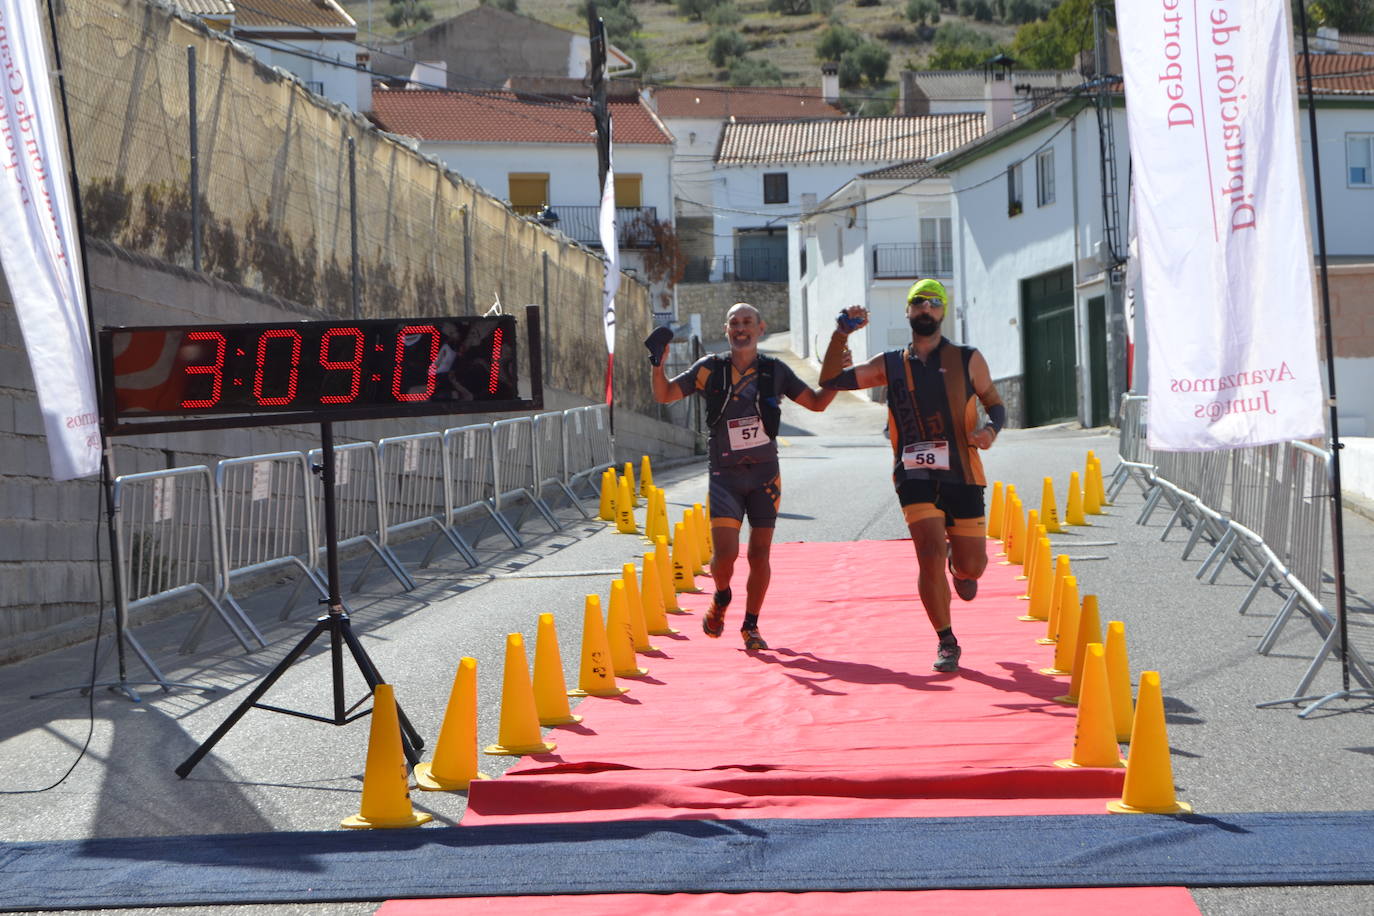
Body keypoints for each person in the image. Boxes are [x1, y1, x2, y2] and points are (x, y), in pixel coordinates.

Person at [818, 279, 1005, 673]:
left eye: (933, 303)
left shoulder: (968, 358)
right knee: (928, 556)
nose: (925, 309)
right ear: (907, 312)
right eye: (918, 303)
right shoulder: (890, 363)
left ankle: (960, 567)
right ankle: (946, 639)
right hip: (913, 472)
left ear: (943, 311)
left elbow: (995, 404)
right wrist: (840, 335)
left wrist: (989, 431)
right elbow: (832, 380)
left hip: (963, 471)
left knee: (974, 567)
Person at [646, 303, 840, 651]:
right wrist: (657, 364)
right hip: (725, 475)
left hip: (765, 474)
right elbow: (664, 395)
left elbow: (816, 403)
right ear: (726, 330)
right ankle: (721, 596)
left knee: (760, 554)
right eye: (734, 323)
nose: (740, 328)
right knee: (724, 556)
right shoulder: (710, 369)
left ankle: (751, 626)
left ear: (760, 328)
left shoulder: (775, 371)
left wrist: (838, 373)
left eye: (747, 322)